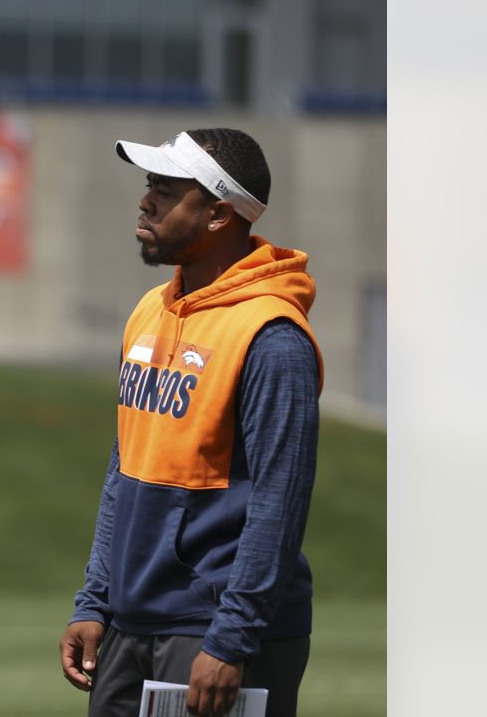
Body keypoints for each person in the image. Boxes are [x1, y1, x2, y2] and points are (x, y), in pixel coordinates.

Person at [58, 128, 322, 717]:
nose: (144, 200)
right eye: (149, 185)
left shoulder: (272, 337)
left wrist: (231, 639)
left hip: (216, 631)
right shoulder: (150, 309)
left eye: (164, 188)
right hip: (132, 619)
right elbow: (125, 467)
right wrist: (95, 602)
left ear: (218, 214)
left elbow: (280, 503)